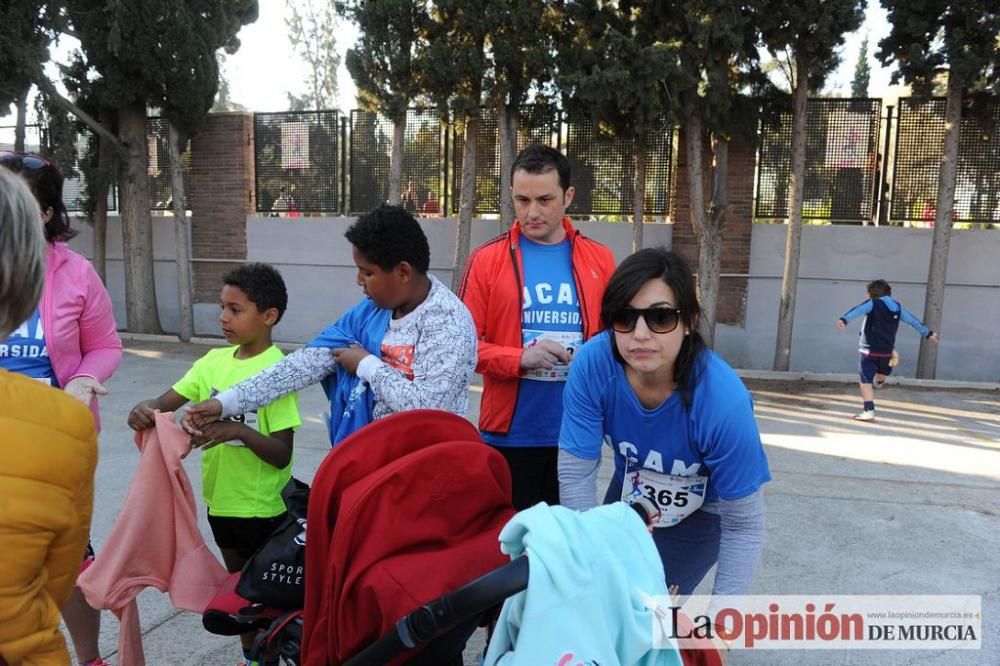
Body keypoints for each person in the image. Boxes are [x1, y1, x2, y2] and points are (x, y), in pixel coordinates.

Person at [558, 248, 771, 600]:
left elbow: (744, 526)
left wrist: (719, 628)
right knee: (599, 595)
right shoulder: (593, 364)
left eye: (660, 318)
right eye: (625, 318)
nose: (640, 334)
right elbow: (575, 473)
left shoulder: (722, 400)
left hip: (701, 513)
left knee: (650, 610)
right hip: (630, 490)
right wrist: (587, 557)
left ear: (689, 321)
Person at [182, 205, 477, 444]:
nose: (358, 281)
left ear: (402, 272)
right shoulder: (368, 313)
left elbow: (429, 410)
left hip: (425, 475)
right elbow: (302, 365)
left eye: (367, 272)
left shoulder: (449, 323)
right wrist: (225, 403)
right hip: (368, 464)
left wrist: (367, 365)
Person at [127, 262, 300, 666]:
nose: (223, 317)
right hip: (220, 504)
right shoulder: (211, 363)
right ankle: (251, 659)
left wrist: (237, 431)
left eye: (235, 310)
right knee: (235, 595)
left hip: (264, 509)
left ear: (268, 316)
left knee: (263, 597)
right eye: (222, 307)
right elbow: (164, 402)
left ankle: (275, 655)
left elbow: (282, 454)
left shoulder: (277, 373)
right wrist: (144, 409)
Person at [0, 151, 122, 666]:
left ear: (47, 214)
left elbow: (105, 344)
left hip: (50, 442)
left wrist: (84, 381)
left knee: (69, 559)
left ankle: (91, 656)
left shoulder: (77, 273)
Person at [458, 143, 616, 510]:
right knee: (510, 546)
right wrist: (519, 359)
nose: (532, 213)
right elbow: (463, 346)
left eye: (545, 200)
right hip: (509, 436)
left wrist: (593, 358)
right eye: (522, 200)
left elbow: (619, 337)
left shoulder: (601, 260)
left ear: (568, 196)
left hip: (577, 432)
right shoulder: (485, 261)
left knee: (567, 548)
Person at [836, 278, 939, 421]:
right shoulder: (897, 307)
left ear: (870, 295)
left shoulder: (872, 303)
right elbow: (913, 321)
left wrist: (844, 320)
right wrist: (928, 333)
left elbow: (857, 310)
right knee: (881, 371)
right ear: (889, 294)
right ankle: (880, 379)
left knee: (865, 381)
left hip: (868, 351)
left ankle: (869, 410)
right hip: (886, 351)